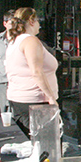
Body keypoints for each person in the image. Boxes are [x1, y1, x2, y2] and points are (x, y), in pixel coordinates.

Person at [6, 7, 58, 136]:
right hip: (35, 101)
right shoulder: (30, 41)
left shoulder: (14, 41)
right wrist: (51, 97)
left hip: (20, 99)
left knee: (35, 146)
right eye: (38, 21)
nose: (40, 25)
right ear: (31, 21)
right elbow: (36, 72)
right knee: (45, 146)